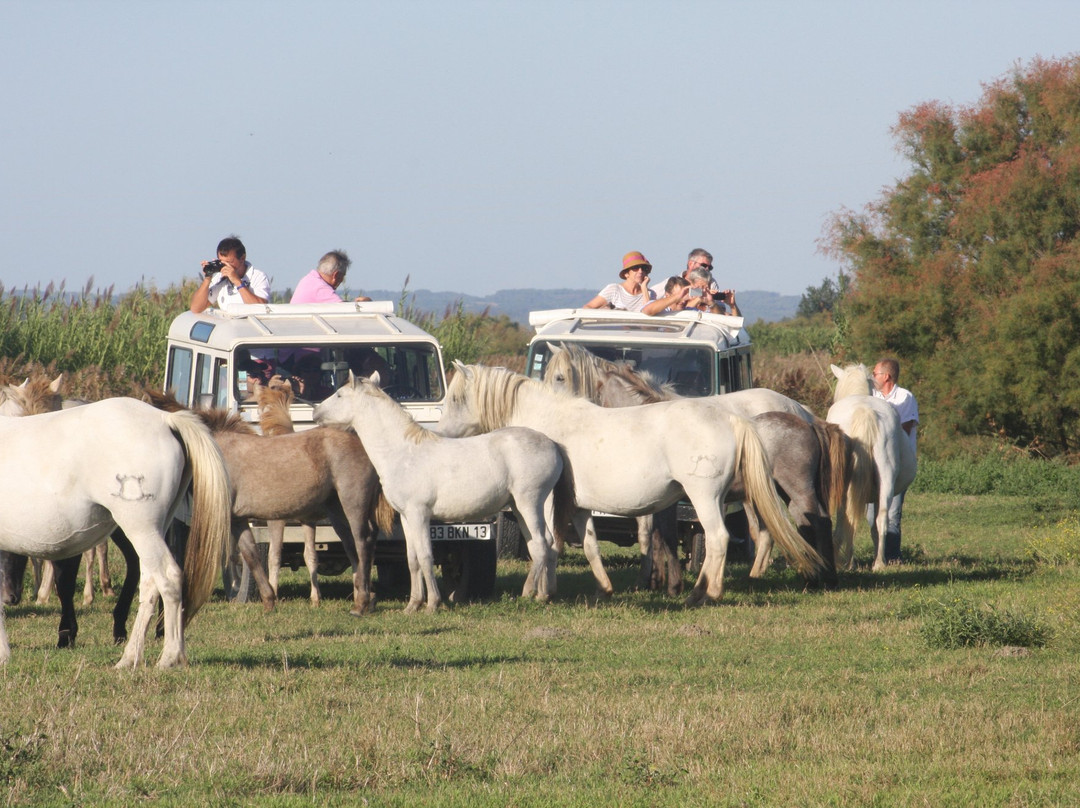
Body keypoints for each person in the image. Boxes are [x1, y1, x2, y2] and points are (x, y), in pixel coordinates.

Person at [871, 357, 919, 563]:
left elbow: (904, 430)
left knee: (891, 514)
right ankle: (878, 553)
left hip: (896, 462)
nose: (872, 377)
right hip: (873, 462)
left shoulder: (905, 397)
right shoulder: (871, 397)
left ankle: (892, 557)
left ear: (886, 376)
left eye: (875, 374)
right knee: (871, 516)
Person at [190, 235, 271, 313]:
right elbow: (196, 308)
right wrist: (207, 278)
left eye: (229, 262)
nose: (225, 266)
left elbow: (261, 309)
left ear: (242, 258)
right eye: (222, 262)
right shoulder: (219, 278)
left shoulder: (258, 276)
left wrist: (237, 282)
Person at [659, 248, 740, 316]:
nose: (704, 290)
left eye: (710, 267)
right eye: (700, 288)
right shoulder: (678, 297)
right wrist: (699, 298)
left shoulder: (712, 285)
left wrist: (732, 305)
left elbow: (726, 318)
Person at [582, 252, 658, 312]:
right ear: (626, 274)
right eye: (635, 268)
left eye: (643, 268)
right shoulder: (614, 290)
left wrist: (644, 288)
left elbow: (649, 312)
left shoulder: (650, 294)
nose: (640, 271)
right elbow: (587, 308)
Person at [290, 249, 372, 304]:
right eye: (342, 276)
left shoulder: (309, 279)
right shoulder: (320, 287)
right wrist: (366, 305)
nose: (342, 280)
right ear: (336, 275)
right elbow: (344, 309)